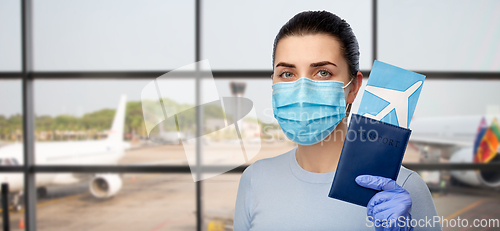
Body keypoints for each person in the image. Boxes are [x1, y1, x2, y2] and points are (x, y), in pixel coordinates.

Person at [233, 11, 441, 231]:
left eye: (322, 72)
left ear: (353, 87)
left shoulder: (402, 190)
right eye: (287, 74)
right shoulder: (254, 179)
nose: (302, 92)